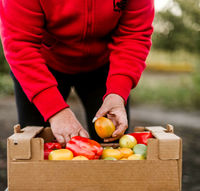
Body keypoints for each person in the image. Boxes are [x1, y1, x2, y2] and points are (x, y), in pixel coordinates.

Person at [0, 0, 154, 144]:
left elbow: (134, 35)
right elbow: (19, 44)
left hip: (104, 66)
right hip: (41, 66)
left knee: (112, 143)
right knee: (36, 144)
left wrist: (118, 92)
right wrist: (54, 109)